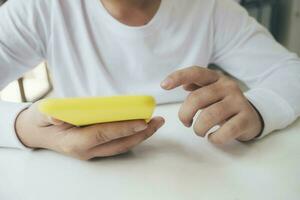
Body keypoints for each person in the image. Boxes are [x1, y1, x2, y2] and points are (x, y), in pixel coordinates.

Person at [0, 0, 299, 160]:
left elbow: (291, 72)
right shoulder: (38, 7)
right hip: (71, 172)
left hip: (193, 168)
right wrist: (25, 129)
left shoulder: (212, 9)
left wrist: (258, 109)